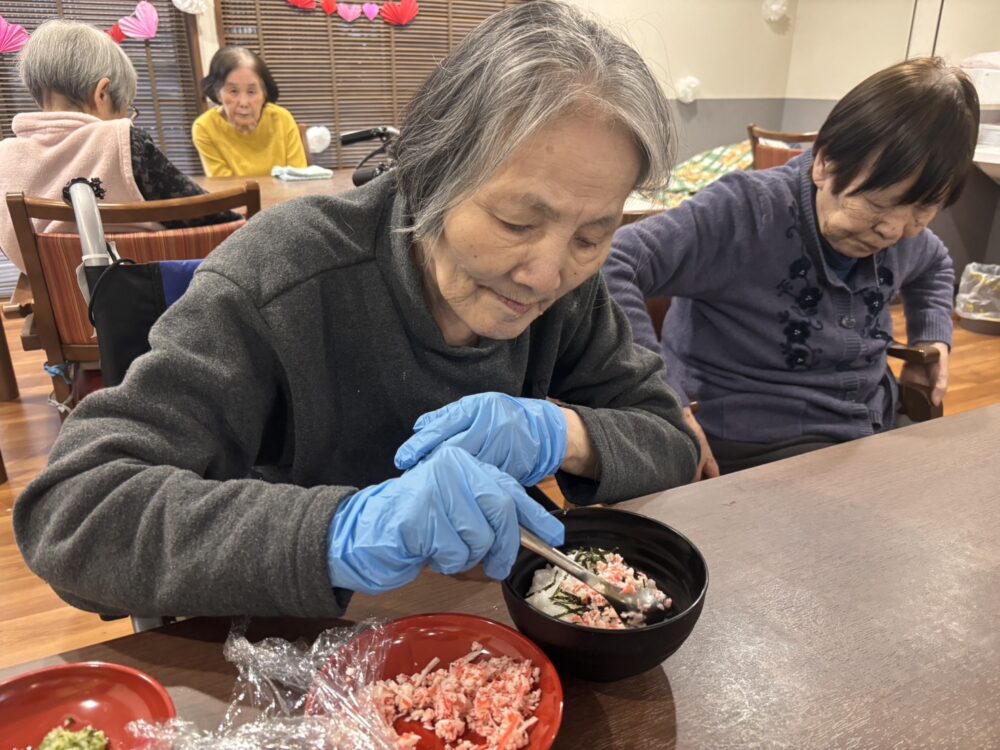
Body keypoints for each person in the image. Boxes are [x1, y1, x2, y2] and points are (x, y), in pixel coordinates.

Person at [15, 1, 699, 620]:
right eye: (517, 221)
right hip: (291, 642)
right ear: (429, 172)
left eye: (592, 235)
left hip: (477, 624)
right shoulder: (281, 273)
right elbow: (73, 512)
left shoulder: (569, 289)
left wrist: (558, 432)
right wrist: (343, 531)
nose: (547, 275)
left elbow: (670, 439)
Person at [605, 57, 979, 477]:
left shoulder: (905, 236)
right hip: (757, 445)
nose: (893, 230)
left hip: (872, 425)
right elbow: (613, 261)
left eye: (922, 209)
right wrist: (659, 395)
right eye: (877, 204)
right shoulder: (745, 212)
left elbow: (934, 265)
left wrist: (934, 336)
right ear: (825, 163)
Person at [0, 20, 237, 274]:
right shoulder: (123, 142)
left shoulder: (6, 159)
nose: (126, 119)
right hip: (158, 296)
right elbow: (217, 221)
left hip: (61, 297)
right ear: (102, 94)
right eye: (125, 108)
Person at [192, 46, 307, 177]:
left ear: (264, 93)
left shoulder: (282, 119)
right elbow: (223, 185)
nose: (244, 102)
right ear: (218, 93)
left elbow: (298, 177)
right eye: (233, 91)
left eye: (251, 92)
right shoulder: (205, 128)